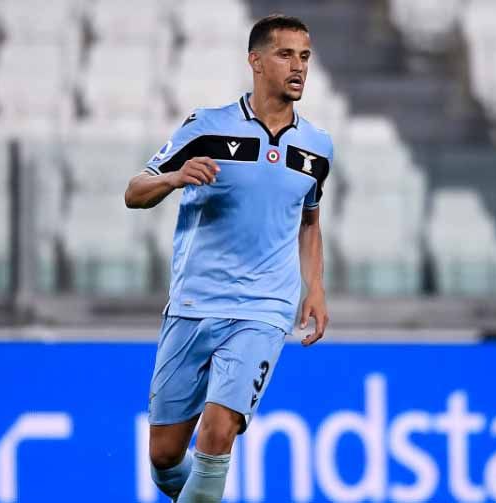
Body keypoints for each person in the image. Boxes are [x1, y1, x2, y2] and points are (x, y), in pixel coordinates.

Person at [124, 14, 332, 502]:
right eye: (285, 55)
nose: (298, 67)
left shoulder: (317, 147)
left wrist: (315, 289)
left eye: (304, 56)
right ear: (256, 61)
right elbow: (135, 192)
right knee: (164, 456)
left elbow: (309, 219)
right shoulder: (207, 126)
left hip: (263, 309)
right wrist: (173, 178)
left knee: (217, 434)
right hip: (194, 304)